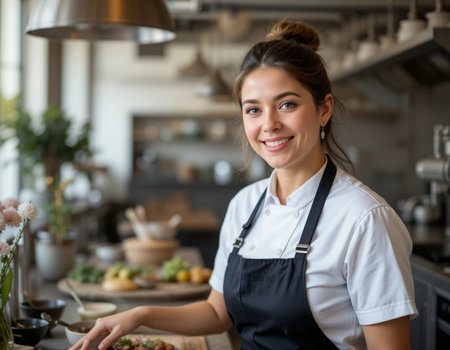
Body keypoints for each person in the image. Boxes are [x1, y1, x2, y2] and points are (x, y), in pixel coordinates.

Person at [70, 20, 417, 350]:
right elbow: (217, 313)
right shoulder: (245, 204)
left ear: (324, 109)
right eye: (253, 110)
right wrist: (139, 316)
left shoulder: (364, 219)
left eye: (287, 104)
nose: (269, 124)